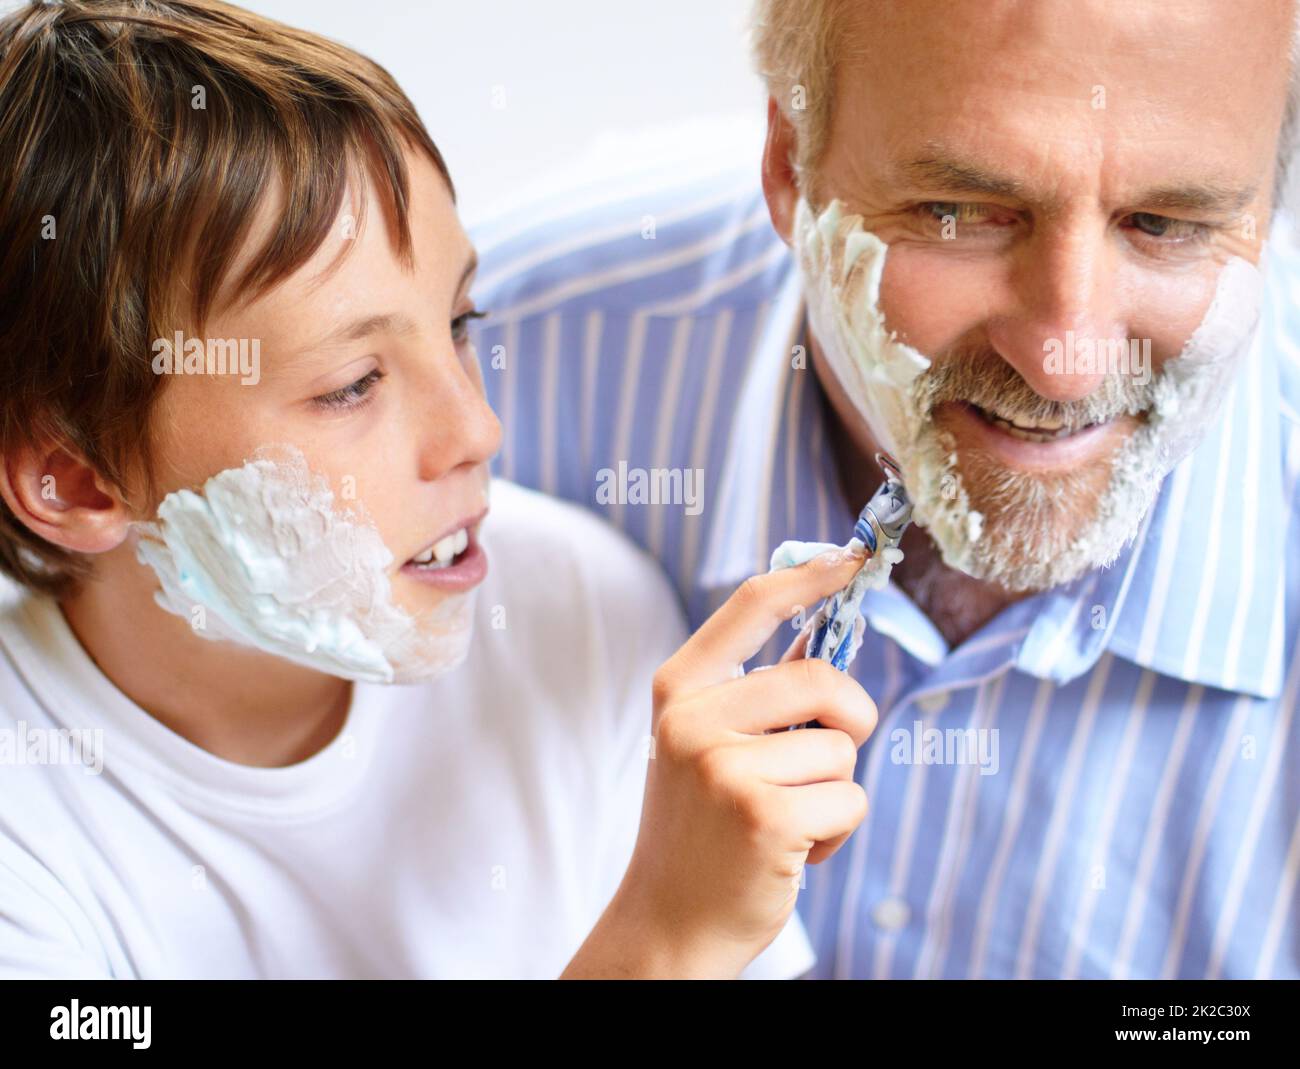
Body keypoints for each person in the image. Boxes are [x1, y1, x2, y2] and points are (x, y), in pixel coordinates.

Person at [0, 0, 878, 980]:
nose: (477, 430)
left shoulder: (576, 613)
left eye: (459, 323)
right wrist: (670, 934)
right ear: (76, 478)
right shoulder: (26, 837)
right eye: (353, 384)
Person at [470, 0, 1300, 979]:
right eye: (959, 213)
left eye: (1166, 225)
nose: (1064, 363)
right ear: (790, 165)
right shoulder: (488, 365)